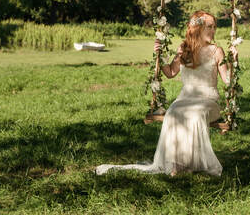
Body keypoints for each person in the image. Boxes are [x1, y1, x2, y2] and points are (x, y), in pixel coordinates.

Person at [96, 11, 238, 176]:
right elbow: (170, 72)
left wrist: (234, 61)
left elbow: (228, 81)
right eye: (209, 27)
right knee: (173, 112)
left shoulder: (217, 51)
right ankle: (176, 164)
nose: (213, 31)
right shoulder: (184, 49)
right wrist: (160, 55)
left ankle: (192, 164)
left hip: (208, 100)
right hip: (185, 98)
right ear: (197, 29)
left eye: (214, 27)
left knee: (194, 114)